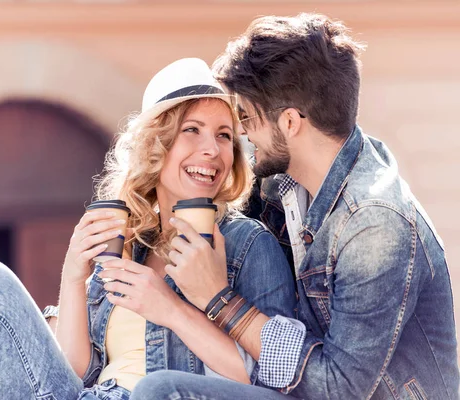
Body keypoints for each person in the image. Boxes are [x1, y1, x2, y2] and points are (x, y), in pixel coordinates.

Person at [0, 58, 297, 400]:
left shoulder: (247, 244)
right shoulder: (129, 244)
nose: (212, 148)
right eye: (192, 130)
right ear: (157, 144)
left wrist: (171, 310)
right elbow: (77, 371)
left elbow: (272, 382)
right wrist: (74, 277)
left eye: (224, 136)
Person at [130, 13, 459, 400]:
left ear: (289, 122)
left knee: (164, 391)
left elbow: (336, 390)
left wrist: (219, 300)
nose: (242, 134)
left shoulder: (374, 224)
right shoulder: (282, 187)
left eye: (247, 118)